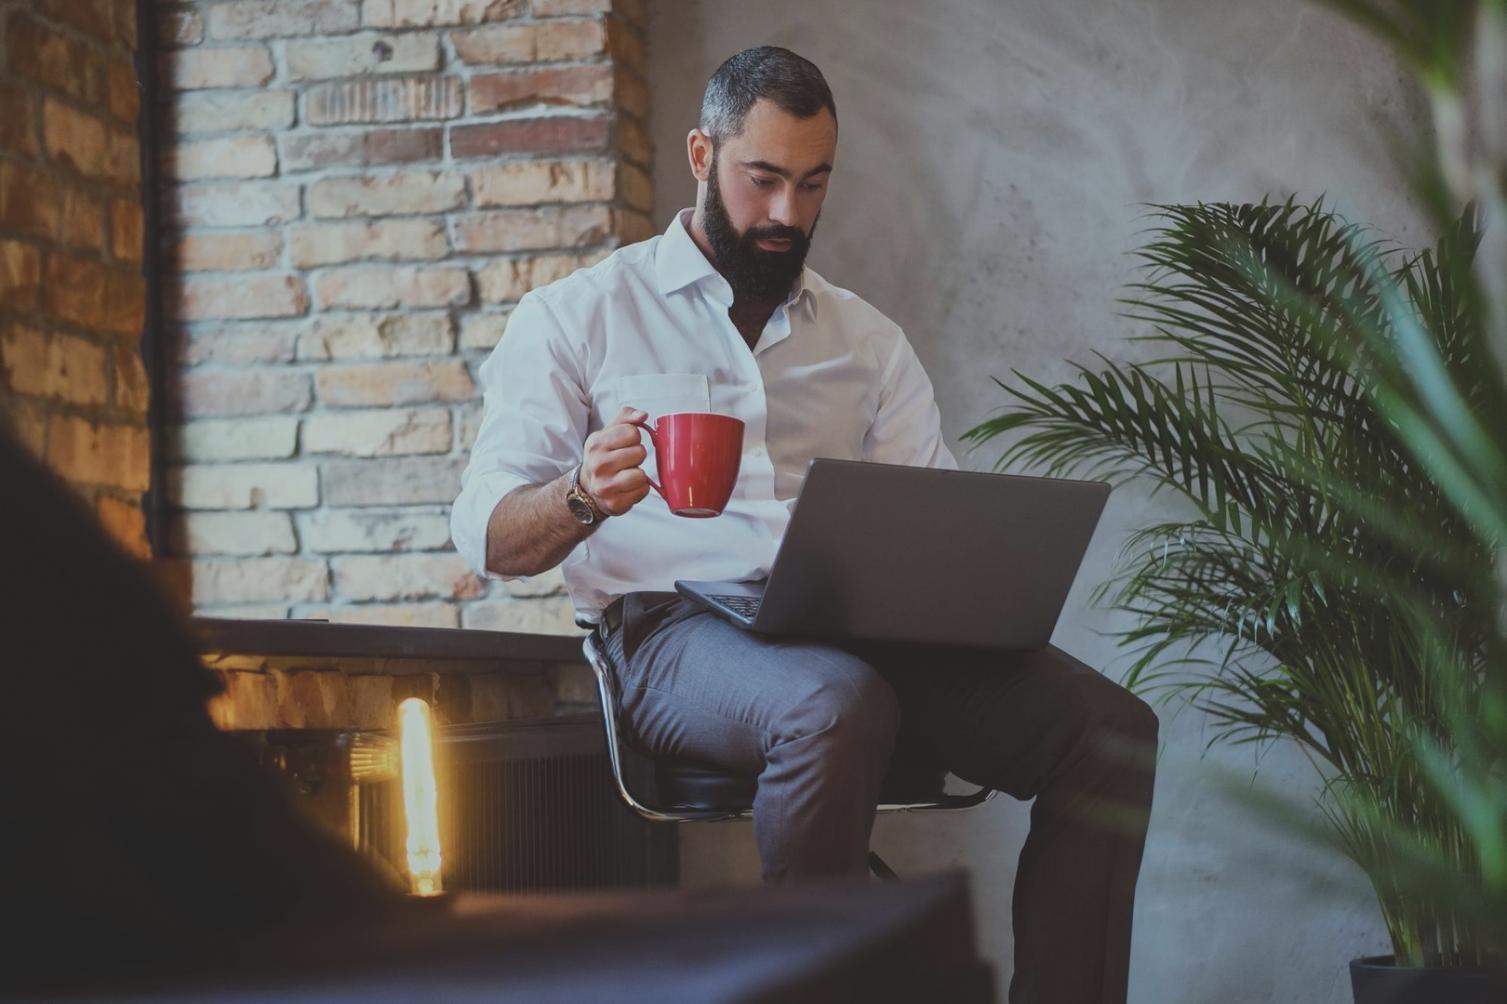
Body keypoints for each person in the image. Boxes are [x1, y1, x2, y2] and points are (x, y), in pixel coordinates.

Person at [453, 45, 1158, 1004]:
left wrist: (972, 583)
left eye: (813, 184)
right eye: (764, 179)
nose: (788, 213)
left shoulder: (865, 340)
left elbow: (937, 523)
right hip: (668, 630)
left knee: (1108, 730)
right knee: (833, 700)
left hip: (856, 626)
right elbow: (490, 539)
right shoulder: (580, 315)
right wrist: (582, 494)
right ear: (702, 156)